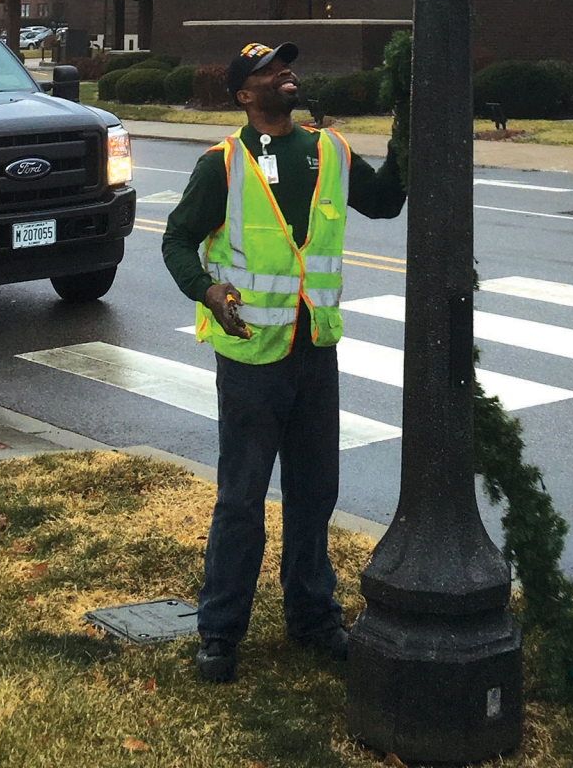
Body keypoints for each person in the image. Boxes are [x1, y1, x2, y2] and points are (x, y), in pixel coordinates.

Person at [161, 40, 407, 683]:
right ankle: (219, 634)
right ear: (245, 94)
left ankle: (312, 618)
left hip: (314, 351)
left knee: (313, 494)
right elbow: (178, 239)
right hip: (251, 361)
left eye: (285, 65)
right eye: (269, 70)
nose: (284, 73)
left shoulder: (328, 150)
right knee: (241, 499)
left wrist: (408, 124)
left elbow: (384, 202)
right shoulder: (221, 164)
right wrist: (208, 291)